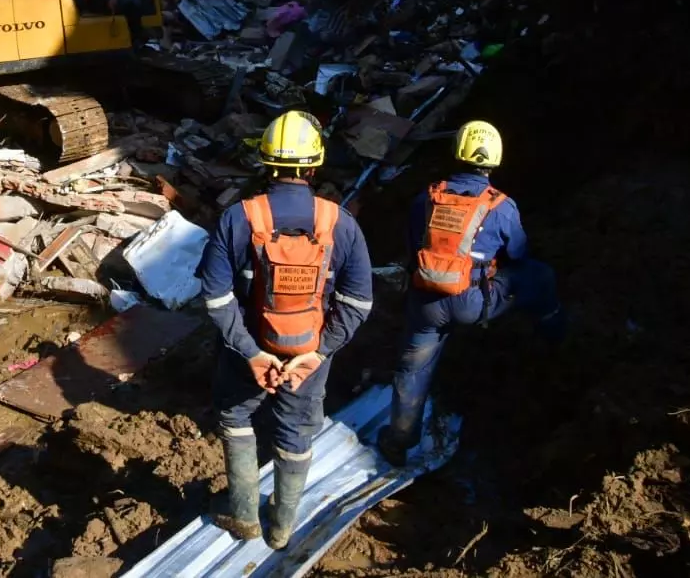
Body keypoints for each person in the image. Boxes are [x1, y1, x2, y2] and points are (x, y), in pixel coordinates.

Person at [198, 111, 374, 549]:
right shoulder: (341, 224)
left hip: (250, 350)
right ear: (314, 166)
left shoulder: (238, 218)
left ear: (265, 160)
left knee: (236, 414)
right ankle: (280, 528)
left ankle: (244, 516)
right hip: (308, 354)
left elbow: (215, 298)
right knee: (296, 429)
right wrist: (317, 353)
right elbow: (358, 302)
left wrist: (251, 353)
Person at [378, 120, 565, 466]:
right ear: (494, 161)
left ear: (456, 153)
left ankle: (398, 441)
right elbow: (519, 254)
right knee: (540, 276)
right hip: (474, 302)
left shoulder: (426, 198)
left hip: (427, 301)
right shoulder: (501, 206)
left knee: (413, 368)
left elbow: (411, 247)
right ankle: (554, 336)